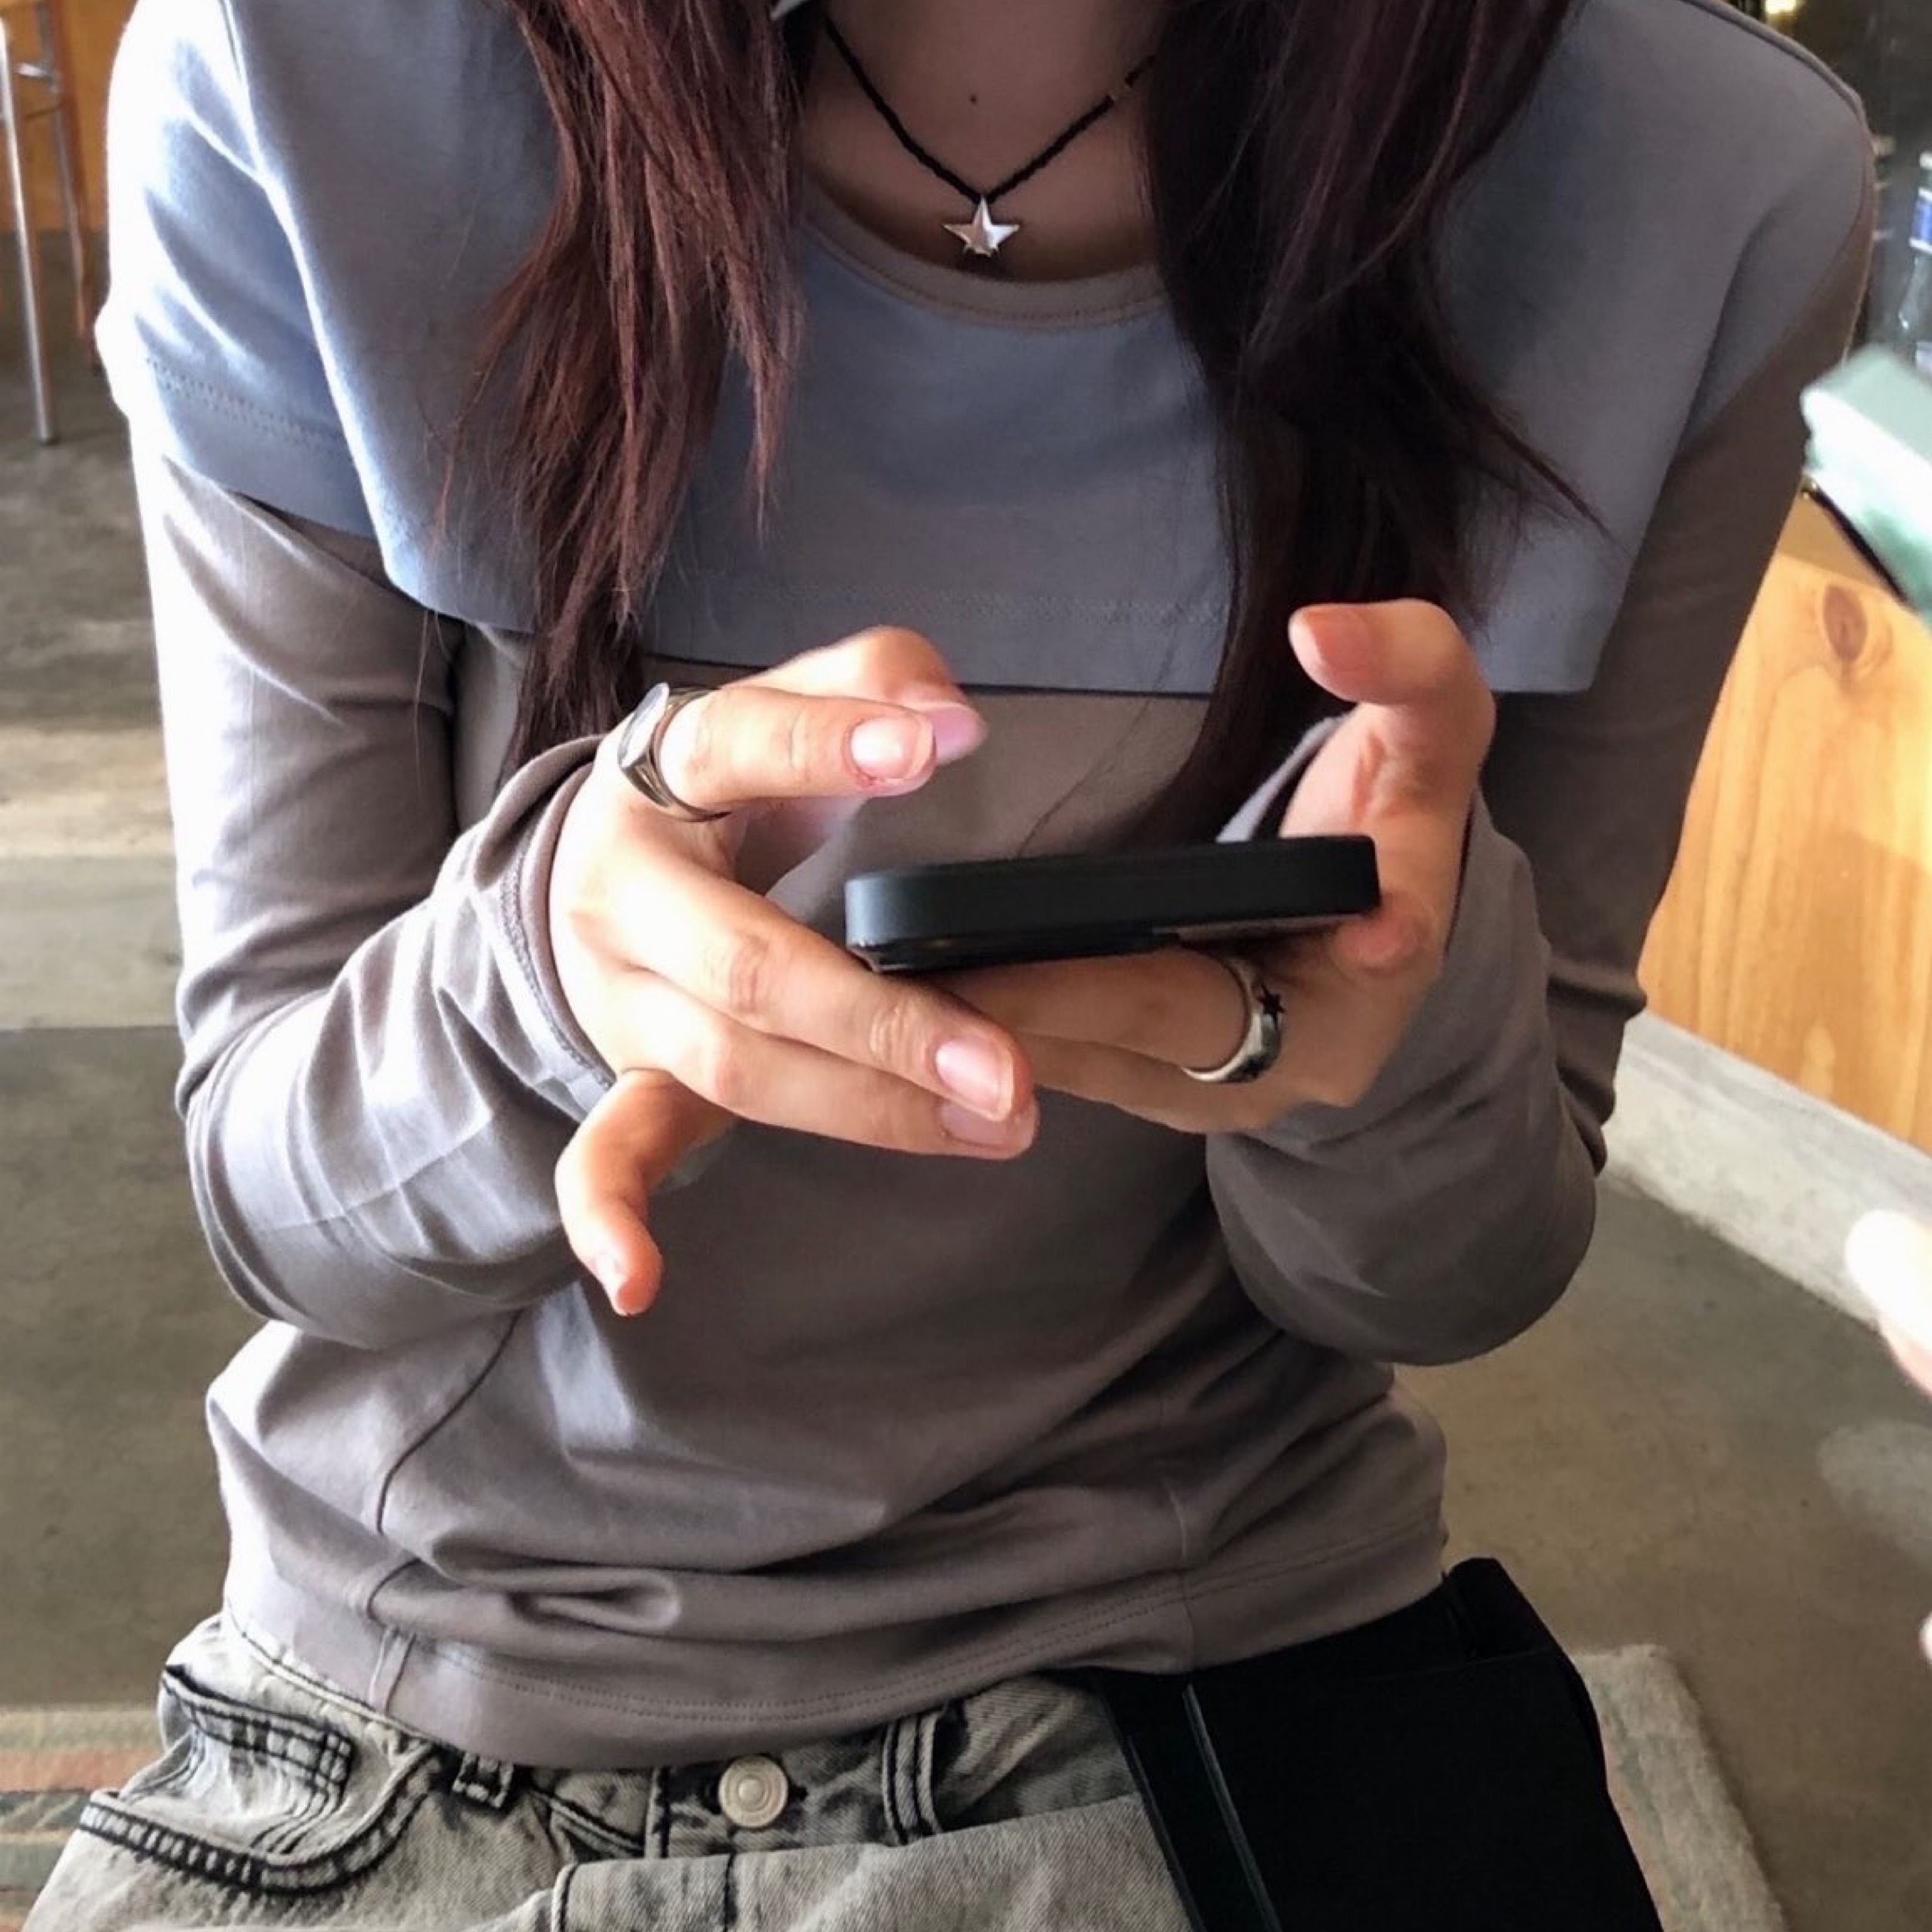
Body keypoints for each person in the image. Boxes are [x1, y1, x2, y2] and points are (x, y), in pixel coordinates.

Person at [27, 0, 1874, 1926]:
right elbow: (280, 1202)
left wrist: (1374, 1026)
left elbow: (1461, 1272)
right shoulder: (309, 76)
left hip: (1215, 1694)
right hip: (431, 1695)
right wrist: (543, 974)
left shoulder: (1690, 170)